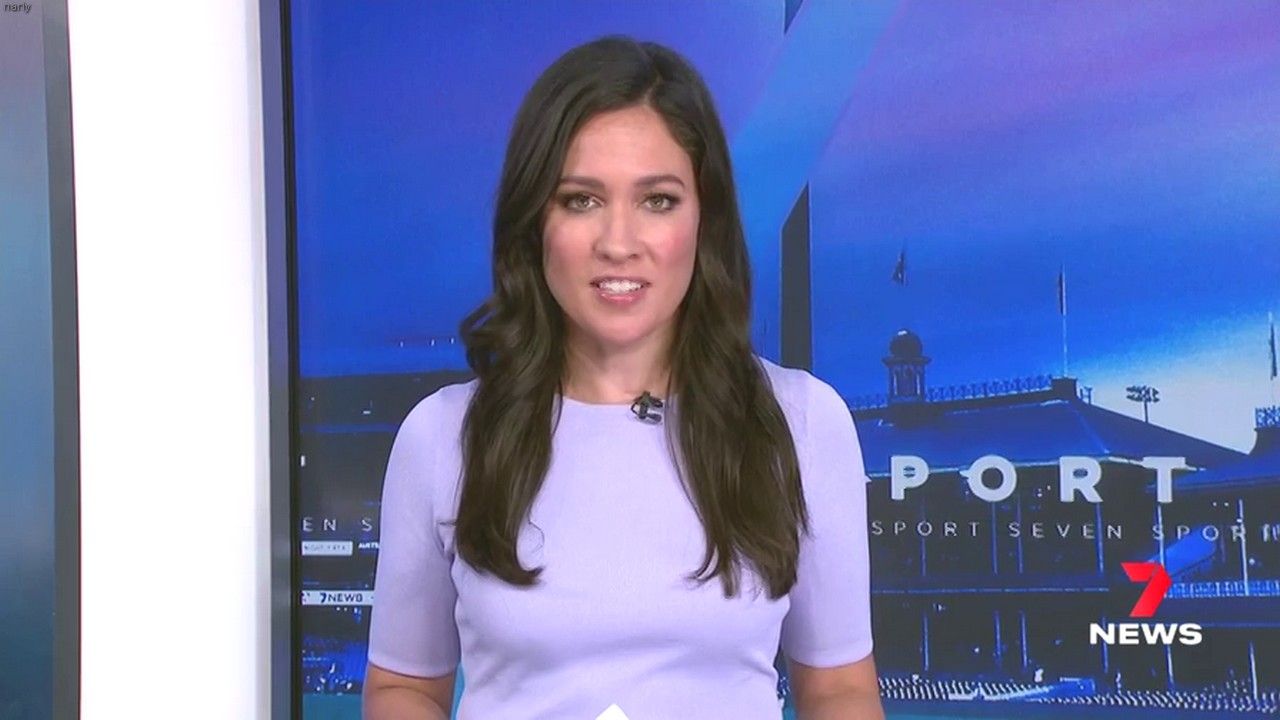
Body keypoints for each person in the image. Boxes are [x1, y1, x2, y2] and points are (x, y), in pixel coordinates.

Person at [362, 35, 881, 720]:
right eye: (581, 200)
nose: (618, 242)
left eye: (657, 200)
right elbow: (402, 688)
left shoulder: (802, 422)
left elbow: (840, 690)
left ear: (704, 219)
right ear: (534, 221)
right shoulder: (442, 436)